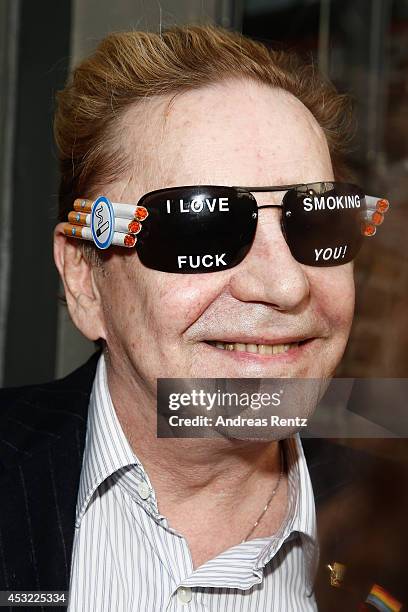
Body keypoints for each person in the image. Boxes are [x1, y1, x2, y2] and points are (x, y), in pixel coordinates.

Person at [0, 24, 404, 612]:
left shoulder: (390, 525)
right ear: (86, 280)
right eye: (201, 227)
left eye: (317, 222)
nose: (285, 285)